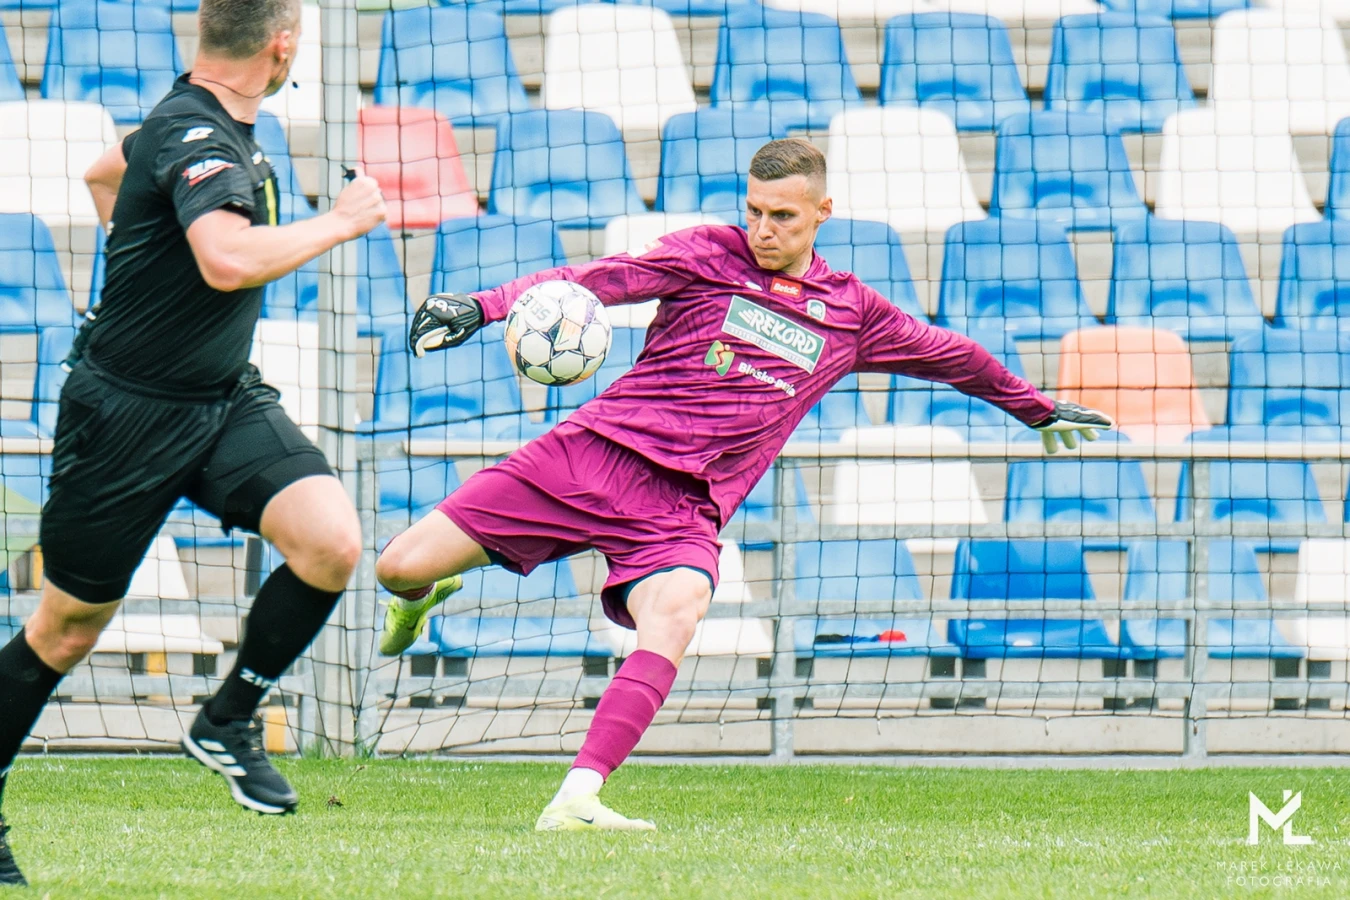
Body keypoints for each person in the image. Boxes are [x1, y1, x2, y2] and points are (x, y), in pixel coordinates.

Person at [375, 138, 1111, 832]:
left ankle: (578, 797)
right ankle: (418, 601)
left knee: (677, 612)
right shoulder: (707, 254)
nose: (762, 229)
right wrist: (485, 306)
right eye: (754, 210)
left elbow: (949, 354)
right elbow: (600, 280)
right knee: (397, 567)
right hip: (592, 455)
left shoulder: (851, 313)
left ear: (822, 213)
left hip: (681, 509)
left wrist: (1034, 406)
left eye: (782, 215)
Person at [0, 0, 386, 884]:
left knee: (330, 543)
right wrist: (342, 220)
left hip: (221, 398)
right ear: (283, 45)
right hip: (125, 417)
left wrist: (136, 258)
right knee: (66, 629)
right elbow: (226, 258)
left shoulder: (198, 127)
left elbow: (106, 173)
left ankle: (228, 718)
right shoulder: (197, 133)